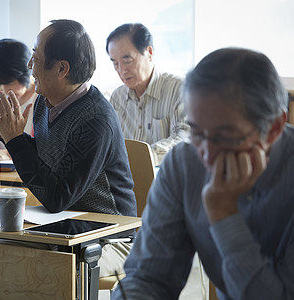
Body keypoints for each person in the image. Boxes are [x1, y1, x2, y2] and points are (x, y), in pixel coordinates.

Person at [112, 47, 294, 300]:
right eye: (197, 132)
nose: (206, 155)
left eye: (223, 136)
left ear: (273, 128)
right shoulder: (185, 164)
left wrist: (225, 215)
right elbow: (148, 278)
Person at [0, 19, 137, 277]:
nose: (30, 67)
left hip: (110, 237)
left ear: (62, 68)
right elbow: (43, 167)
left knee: (34, 272)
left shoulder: (96, 120)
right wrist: (7, 134)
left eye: (36, 58)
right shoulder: (44, 103)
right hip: (64, 227)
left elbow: (56, 198)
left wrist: (15, 139)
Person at [106, 23, 189, 165]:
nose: (122, 70)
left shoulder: (179, 89)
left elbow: (184, 138)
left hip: (164, 179)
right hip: (126, 181)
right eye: (115, 64)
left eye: (127, 61)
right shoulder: (117, 97)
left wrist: (143, 157)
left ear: (149, 53)